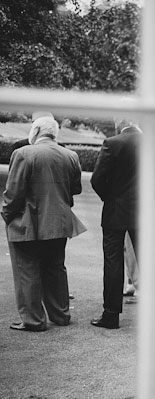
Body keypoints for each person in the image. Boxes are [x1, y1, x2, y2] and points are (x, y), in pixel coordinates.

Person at [2, 115, 86, 332]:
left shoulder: (23, 154)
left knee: (27, 270)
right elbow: (75, 189)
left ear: (36, 130)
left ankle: (34, 320)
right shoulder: (71, 155)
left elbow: (13, 193)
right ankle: (61, 314)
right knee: (55, 268)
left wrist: (7, 215)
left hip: (28, 222)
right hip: (59, 222)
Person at [90, 119, 141, 329]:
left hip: (115, 211)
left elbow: (97, 180)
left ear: (119, 124)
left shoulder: (113, 142)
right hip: (144, 211)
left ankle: (111, 315)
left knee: (113, 262)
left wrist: (110, 198)